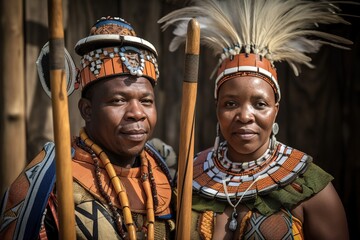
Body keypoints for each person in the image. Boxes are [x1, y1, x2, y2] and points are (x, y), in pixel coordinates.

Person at [159, 0, 352, 239]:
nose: (245, 116)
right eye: (230, 104)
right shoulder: (191, 178)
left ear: (275, 110)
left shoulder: (310, 188)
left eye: (260, 104)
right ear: (216, 109)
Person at [0, 16, 176, 239]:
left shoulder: (163, 168)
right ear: (87, 110)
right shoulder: (47, 181)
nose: (137, 113)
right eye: (118, 100)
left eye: (146, 101)